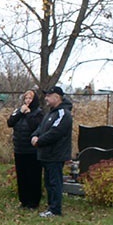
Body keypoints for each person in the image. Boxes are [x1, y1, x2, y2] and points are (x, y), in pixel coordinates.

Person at [31, 86, 74, 217]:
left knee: (55, 183)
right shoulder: (50, 113)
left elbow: (55, 132)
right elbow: (41, 128)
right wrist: (34, 136)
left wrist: (39, 141)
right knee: (48, 182)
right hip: (46, 154)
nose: (46, 98)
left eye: (48, 96)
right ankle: (51, 207)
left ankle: (55, 209)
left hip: (56, 154)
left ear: (57, 97)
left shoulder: (63, 113)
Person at [7, 89, 44, 209]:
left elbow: (36, 127)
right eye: (26, 98)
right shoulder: (19, 110)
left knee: (33, 176)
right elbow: (10, 122)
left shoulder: (38, 113)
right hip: (19, 148)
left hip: (32, 150)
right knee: (22, 176)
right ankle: (24, 200)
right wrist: (20, 113)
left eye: (30, 98)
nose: (28, 101)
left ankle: (33, 202)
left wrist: (28, 114)